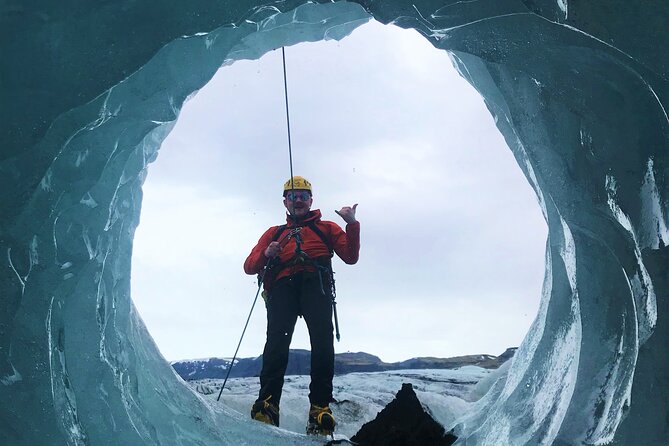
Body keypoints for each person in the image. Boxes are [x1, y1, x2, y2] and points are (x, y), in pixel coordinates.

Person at [243, 176, 360, 435]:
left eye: (303, 196)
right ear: (284, 201)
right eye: (292, 196)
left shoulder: (326, 228)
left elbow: (350, 257)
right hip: (282, 288)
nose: (298, 201)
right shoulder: (274, 233)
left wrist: (351, 223)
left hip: (314, 285)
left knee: (321, 342)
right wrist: (266, 254)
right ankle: (268, 404)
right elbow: (249, 267)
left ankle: (319, 408)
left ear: (311, 200)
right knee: (276, 344)